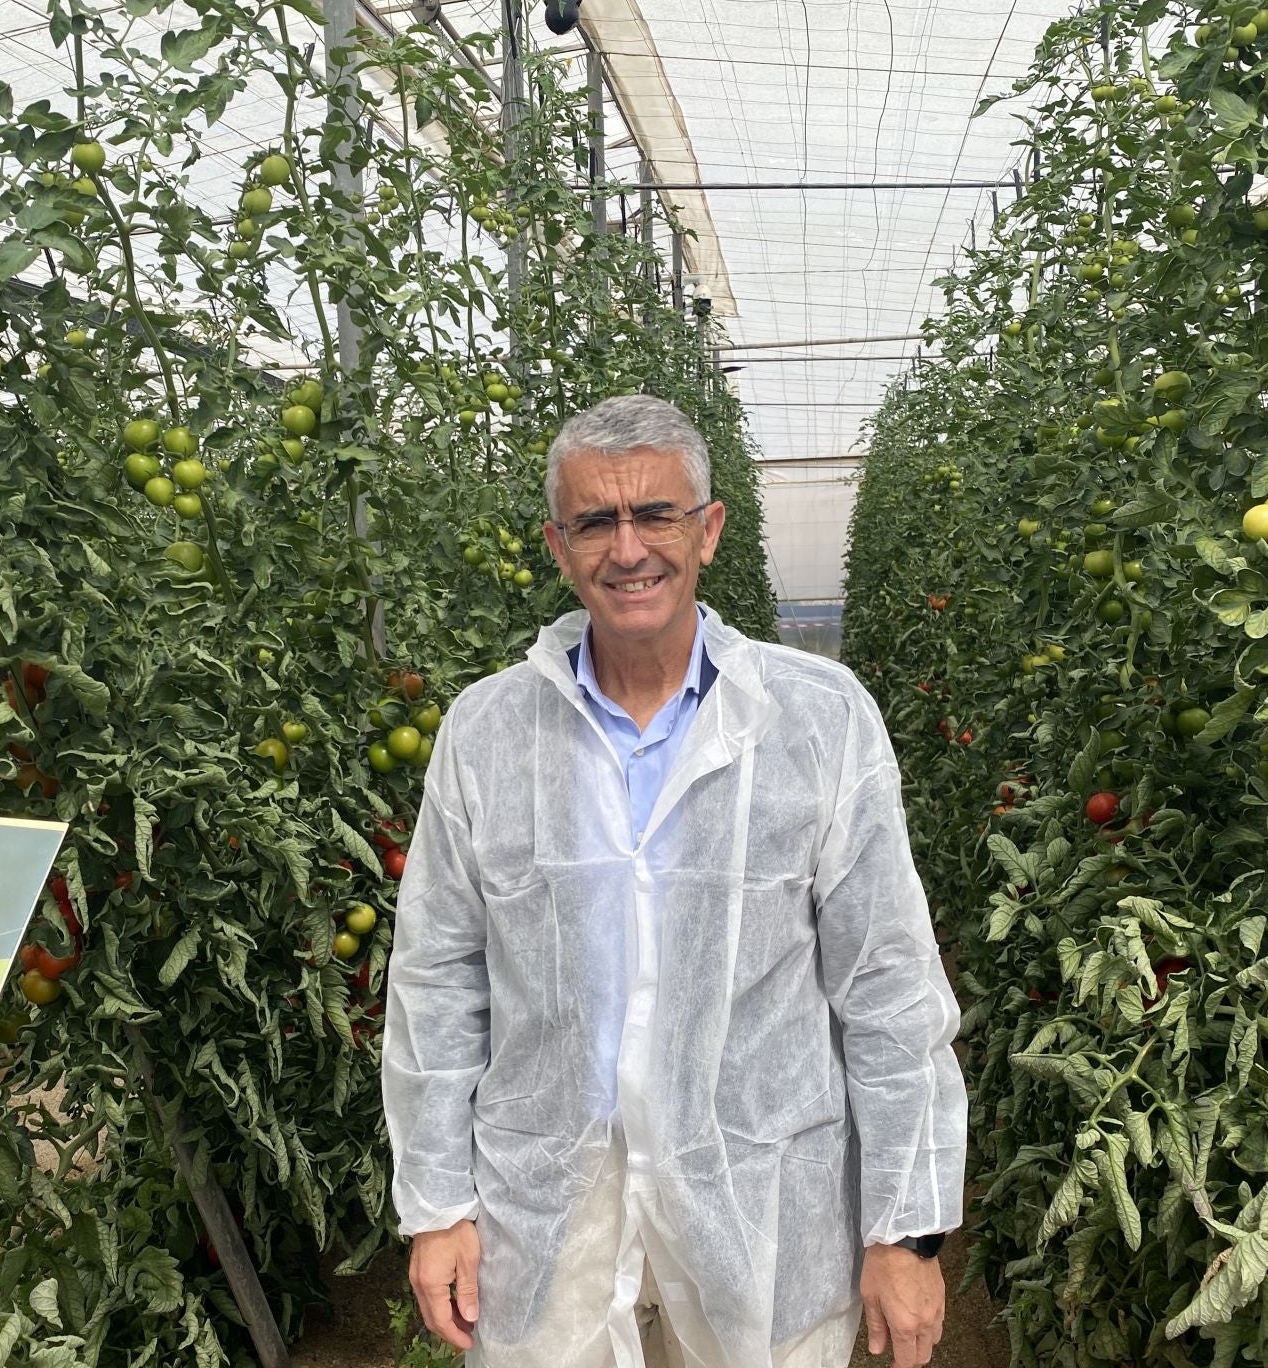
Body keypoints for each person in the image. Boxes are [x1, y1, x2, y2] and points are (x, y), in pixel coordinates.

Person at [382, 394, 966, 1368]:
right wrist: (438, 1205)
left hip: (760, 1208)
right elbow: (439, 980)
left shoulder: (817, 719)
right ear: (557, 546)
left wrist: (905, 1230)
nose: (628, 550)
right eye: (594, 522)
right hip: (550, 1217)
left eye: (656, 514)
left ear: (708, 530)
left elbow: (888, 984)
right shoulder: (488, 733)